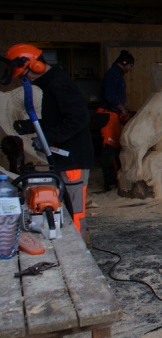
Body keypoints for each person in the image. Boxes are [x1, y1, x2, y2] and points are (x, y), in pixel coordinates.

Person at [1, 43, 94, 239]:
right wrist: (29, 127)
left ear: (36, 66)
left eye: (25, 75)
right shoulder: (51, 84)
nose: (26, 79)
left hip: (73, 159)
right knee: (64, 206)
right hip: (64, 157)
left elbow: (78, 118)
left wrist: (48, 138)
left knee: (74, 209)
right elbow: (57, 120)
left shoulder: (59, 84)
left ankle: (78, 248)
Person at [97, 50, 134, 192]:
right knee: (108, 149)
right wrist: (121, 108)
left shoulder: (117, 74)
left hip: (113, 115)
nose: (130, 69)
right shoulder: (112, 75)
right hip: (107, 115)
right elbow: (110, 96)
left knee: (114, 147)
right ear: (125, 63)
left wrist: (124, 106)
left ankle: (115, 178)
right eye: (130, 66)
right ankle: (109, 182)